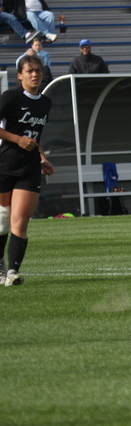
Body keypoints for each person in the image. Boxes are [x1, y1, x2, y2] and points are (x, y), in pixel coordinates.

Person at [0, 55, 53, 287]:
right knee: (2, 222)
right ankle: (0, 265)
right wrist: (17, 139)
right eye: (29, 71)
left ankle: (13, 272)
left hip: (29, 168)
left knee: (19, 221)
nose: (34, 74)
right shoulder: (10, 97)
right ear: (19, 75)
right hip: (5, 166)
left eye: (38, 70)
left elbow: (36, 134)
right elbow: (20, 136)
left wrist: (42, 158)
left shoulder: (45, 103)